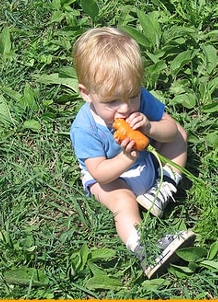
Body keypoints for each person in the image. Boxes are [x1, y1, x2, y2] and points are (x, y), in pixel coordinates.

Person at [70, 27, 195, 278]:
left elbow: (169, 131)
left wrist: (150, 127)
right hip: (111, 178)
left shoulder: (139, 100)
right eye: (111, 101)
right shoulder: (84, 128)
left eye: (133, 95)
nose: (125, 108)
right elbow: (100, 172)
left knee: (179, 136)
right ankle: (146, 250)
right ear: (86, 93)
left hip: (146, 159)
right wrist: (126, 158)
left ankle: (163, 187)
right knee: (123, 201)